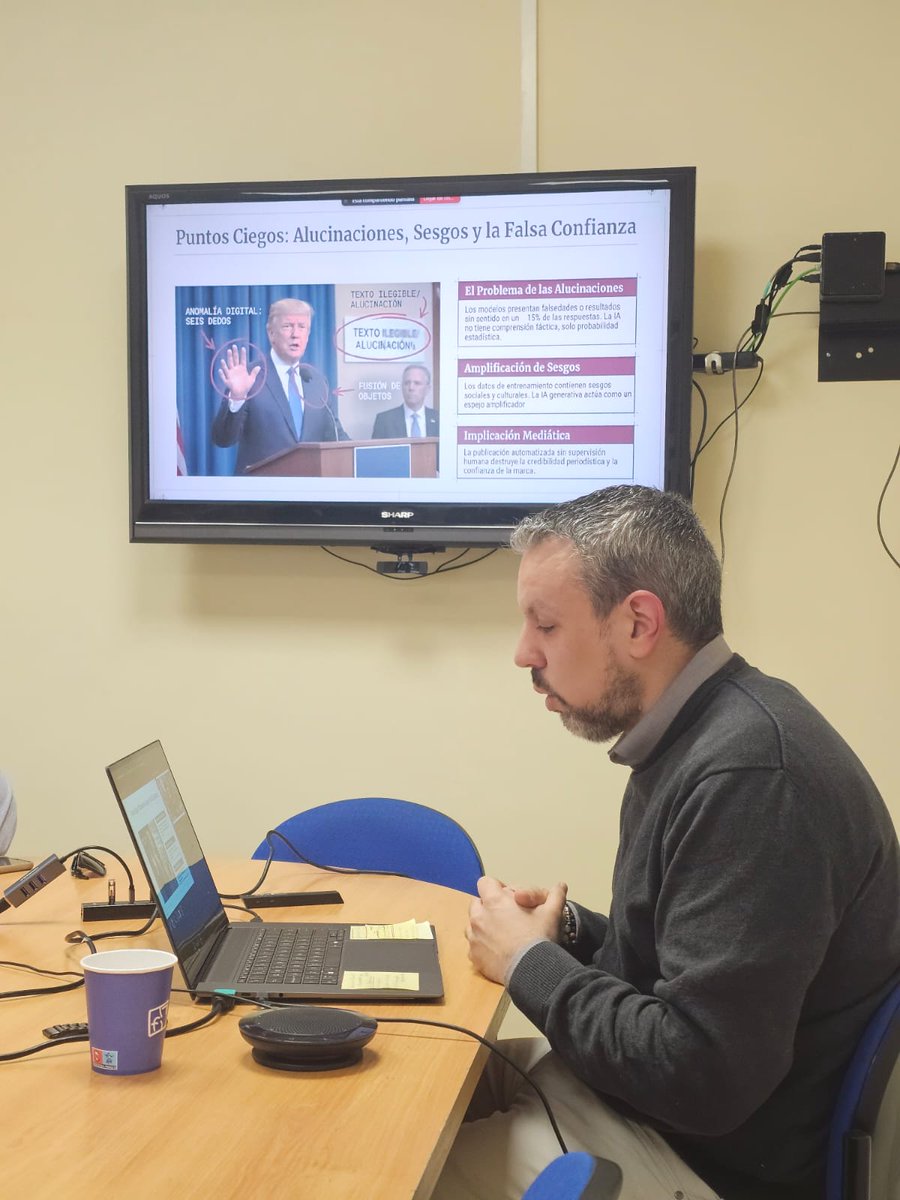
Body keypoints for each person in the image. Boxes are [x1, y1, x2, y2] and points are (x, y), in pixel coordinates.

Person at [435, 485, 900, 1200]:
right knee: (422, 1074)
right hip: (656, 1113)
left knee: (395, 1171)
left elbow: (701, 1075)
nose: (523, 653)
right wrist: (566, 932)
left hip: (703, 1158)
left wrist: (528, 962)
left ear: (640, 624)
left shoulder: (753, 779)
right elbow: (681, 963)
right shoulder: (705, 732)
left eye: (547, 625)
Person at [211, 298, 347, 473]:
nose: (295, 334)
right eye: (288, 326)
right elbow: (223, 439)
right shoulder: (250, 377)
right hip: (261, 492)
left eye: (302, 327)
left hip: (309, 491)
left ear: (308, 335)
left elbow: (335, 436)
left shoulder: (317, 381)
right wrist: (237, 398)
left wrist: (364, 454)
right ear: (271, 333)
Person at [372, 363, 439, 438]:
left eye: (417, 383)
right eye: (407, 383)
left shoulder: (439, 418)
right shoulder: (384, 420)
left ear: (427, 389)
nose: (411, 388)